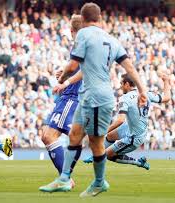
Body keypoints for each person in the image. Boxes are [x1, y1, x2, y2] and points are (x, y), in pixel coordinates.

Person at [39, 2, 147, 197]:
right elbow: (129, 67)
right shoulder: (111, 40)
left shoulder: (83, 34)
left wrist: (63, 79)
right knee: (74, 134)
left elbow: (73, 65)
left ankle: (99, 182)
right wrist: (142, 90)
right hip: (89, 95)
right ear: (99, 18)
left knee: (96, 142)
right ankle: (64, 179)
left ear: (84, 19)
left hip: (97, 97)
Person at [83, 73, 171, 168]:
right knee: (110, 135)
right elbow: (167, 98)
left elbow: (120, 120)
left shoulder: (124, 98)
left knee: (108, 155)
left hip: (135, 136)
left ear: (127, 84)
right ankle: (95, 155)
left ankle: (138, 162)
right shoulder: (145, 93)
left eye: (122, 83)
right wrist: (166, 81)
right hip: (134, 127)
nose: (120, 86)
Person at [39, 15, 82, 188]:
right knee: (49, 136)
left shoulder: (80, 44)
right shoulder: (84, 45)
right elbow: (76, 69)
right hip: (69, 96)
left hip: (71, 97)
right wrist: (64, 75)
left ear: (72, 30)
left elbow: (75, 69)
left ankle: (65, 179)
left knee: (49, 136)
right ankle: (66, 178)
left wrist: (64, 79)